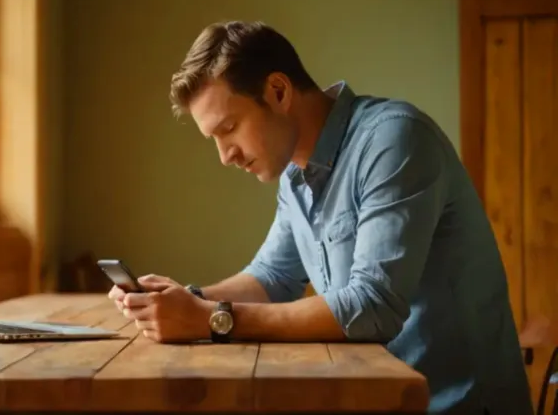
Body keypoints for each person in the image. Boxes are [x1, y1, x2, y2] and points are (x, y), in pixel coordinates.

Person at [106, 20, 533, 415]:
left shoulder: (394, 140)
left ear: (278, 91)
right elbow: (272, 277)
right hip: (376, 400)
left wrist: (211, 319)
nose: (225, 155)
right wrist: (183, 300)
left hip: (453, 405)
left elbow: (372, 306)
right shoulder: (296, 175)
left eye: (228, 128)